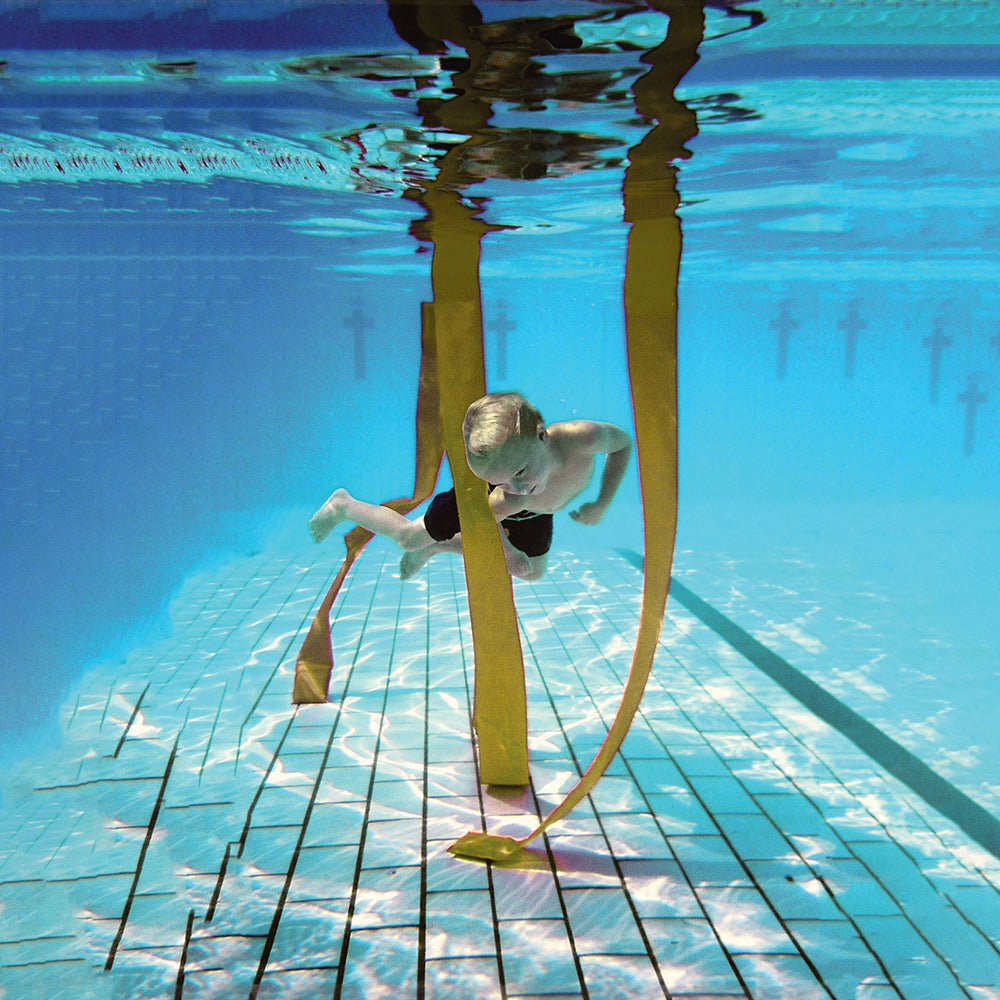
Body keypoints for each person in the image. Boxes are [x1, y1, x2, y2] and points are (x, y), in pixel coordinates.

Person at [309, 391, 632, 581]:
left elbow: (622, 446)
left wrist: (602, 502)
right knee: (409, 539)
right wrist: (506, 552)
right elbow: (487, 520)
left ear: (542, 436)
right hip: (489, 507)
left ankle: (438, 546)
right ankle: (343, 505)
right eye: (501, 480)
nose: (517, 486)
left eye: (521, 471)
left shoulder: (584, 438)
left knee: (534, 572)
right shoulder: (508, 496)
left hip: (535, 511)